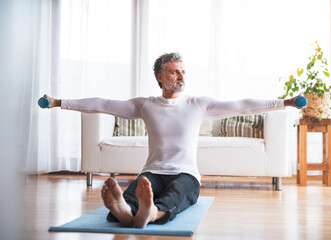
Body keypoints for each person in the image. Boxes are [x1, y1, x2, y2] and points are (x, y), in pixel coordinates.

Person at [44, 52, 301, 228]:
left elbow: (242, 105)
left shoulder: (198, 104)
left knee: (179, 193)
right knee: (136, 190)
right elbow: (103, 104)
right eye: (174, 72)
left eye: (183, 72)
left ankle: (150, 212)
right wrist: (58, 103)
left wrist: (285, 103)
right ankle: (124, 210)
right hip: (153, 172)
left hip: (186, 173)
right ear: (160, 77)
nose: (181, 77)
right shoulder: (145, 105)